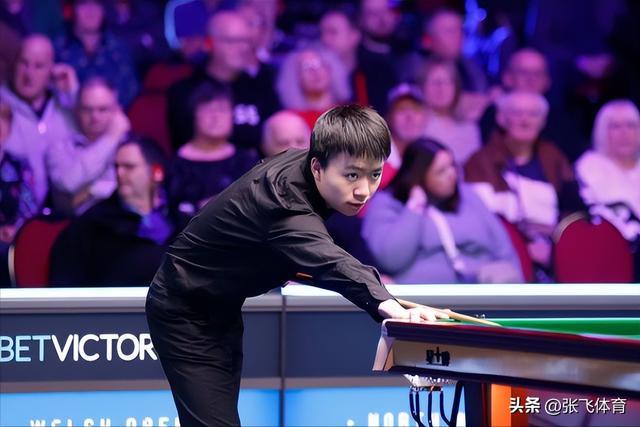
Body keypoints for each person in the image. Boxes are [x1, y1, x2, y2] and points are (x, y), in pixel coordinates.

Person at [145, 105, 448, 426]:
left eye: (374, 174)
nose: (364, 190)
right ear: (317, 167)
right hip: (185, 309)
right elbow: (330, 261)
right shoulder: (284, 202)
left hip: (221, 304)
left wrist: (392, 303)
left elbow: (309, 254)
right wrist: (391, 307)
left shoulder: (318, 159)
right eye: (352, 175)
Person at [363, 138, 522, 284]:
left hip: (481, 287)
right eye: (441, 171)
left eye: (452, 166)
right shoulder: (387, 203)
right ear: (419, 177)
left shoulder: (468, 195)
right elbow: (391, 259)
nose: (452, 175)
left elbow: (503, 249)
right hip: (421, 295)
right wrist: (414, 208)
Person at [464, 91, 578, 271]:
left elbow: (573, 211)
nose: (525, 121)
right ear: (502, 119)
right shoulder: (480, 161)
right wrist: (522, 247)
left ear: (543, 121)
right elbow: (480, 220)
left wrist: (556, 242)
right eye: (517, 113)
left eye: (533, 114)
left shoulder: (554, 157)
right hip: (499, 255)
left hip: (552, 252)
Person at [49, 136, 183, 287]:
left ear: (156, 172)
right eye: (117, 167)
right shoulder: (92, 225)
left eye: (129, 167)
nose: (119, 173)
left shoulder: (181, 222)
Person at [1, 34, 77, 207]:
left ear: (51, 69)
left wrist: (72, 95)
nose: (29, 74)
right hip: (15, 216)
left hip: (65, 214)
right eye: (24, 63)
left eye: (38, 66)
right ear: (14, 64)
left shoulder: (65, 108)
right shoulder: (2, 109)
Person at [167, 81, 258, 216]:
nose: (215, 116)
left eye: (222, 109)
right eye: (208, 109)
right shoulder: (175, 166)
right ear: (194, 114)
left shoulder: (247, 161)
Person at [46, 78, 130, 216]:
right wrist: (110, 139)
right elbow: (68, 184)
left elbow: (135, 192)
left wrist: (91, 191)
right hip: (79, 225)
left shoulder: (129, 147)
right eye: (87, 109)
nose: (95, 117)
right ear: (77, 111)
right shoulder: (59, 148)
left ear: (117, 111)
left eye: (102, 109)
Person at [575, 100, 640, 243]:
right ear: (602, 132)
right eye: (615, 126)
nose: (624, 133)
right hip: (608, 244)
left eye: (631, 125)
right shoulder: (589, 166)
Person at [54, 0, 138, 107]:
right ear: (73, 9)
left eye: (96, 3)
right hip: (68, 115)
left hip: (112, 114)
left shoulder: (120, 50)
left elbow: (130, 93)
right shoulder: (58, 49)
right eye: (84, 3)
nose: (91, 10)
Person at [421, 59, 482, 165]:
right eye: (435, 82)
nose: (441, 88)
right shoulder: (416, 126)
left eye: (447, 82)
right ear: (422, 86)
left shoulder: (470, 129)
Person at [276, 46, 351, 129]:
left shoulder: (350, 114)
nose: (315, 71)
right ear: (295, 78)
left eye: (319, 64)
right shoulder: (290, 122)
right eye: (306, 67)